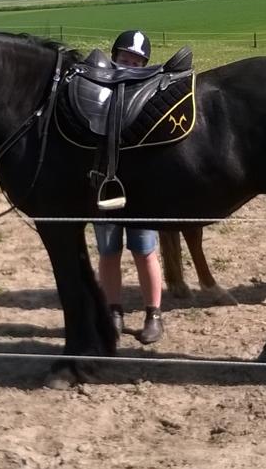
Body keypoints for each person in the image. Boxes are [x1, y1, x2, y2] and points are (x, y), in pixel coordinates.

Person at [93, 29, 163, 345]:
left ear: (146, 65)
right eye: (124, 59)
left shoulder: (153, 101)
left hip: (144, 190)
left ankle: (153, 314)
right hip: (106, 187)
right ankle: (113, 311)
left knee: (145, 253)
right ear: (114, 58)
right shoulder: (95, 96)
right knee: (108, 253)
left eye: (137, 62)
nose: (129, 66)